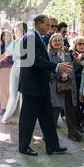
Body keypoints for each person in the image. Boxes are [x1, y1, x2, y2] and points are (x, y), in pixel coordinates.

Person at [17, 15, 71, 156]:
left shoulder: (36, 36)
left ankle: (52, 145)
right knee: (28, 118)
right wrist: (57, 66)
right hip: (32, 86)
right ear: (38, 24)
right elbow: (35, 60)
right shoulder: (30, 36)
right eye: (47, 25)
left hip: (40, 85)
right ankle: (23, 147)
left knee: (47, 117)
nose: (49, 28)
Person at [0, 22, 27, 123]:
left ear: (22, 30)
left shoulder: (28, 41)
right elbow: (4, 55)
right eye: (15, 30)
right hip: (15, 67)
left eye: (17, 30)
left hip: (24, 67)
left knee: (23, 94)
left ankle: (23, 118)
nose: (15, 32)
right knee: (13, 94)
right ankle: (6, 116)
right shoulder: (16, 42)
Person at [48, 33, 82, 142]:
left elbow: (73, 70)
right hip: (55, 86)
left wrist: (76, 62)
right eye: (55, 41)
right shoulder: (49, 55)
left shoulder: (67, 54)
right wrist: (59, 73)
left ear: (63, 42)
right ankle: (48, 135)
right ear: (51, 43)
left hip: (68, 86)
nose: (57, 42)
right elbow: (47, 72)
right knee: (54, 111)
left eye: (59, 40)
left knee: (70, 109)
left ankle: (73, 132)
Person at [0, 30, 14, 116]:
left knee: (10, 89)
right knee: (3, 89)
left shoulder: (13, 45)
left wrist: (5, 58)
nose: (6, 37)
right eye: (4, 36)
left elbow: (14, 57)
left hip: (11, 69)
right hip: (2, 69)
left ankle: (10, 108)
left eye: (7, 35)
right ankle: (4, 108)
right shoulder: (1, 45)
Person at [71, 36, 84, 133]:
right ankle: (77, 124)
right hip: (76, 83)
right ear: (76, 45)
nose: (82, 46)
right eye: (80, 44)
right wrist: (77, 61)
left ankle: (80, 123)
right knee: (77, 105)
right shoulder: (72, 54)